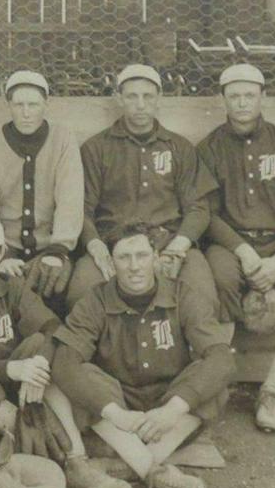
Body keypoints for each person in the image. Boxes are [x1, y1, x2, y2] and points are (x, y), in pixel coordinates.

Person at [0, 214, 129, 488]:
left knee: (41, 345)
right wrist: (11, 370)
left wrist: (36, 366)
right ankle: (67, 453)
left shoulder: (11, 286)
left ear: (1, 253)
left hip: (25, 388)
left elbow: (52, 327)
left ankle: (74, 460)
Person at [51, 222, 237, 488]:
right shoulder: (95, 300)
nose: (134, 266)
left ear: (156, 257)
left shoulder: (182, 295)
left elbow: (221, 358)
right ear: (112, 263)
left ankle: (125, 465)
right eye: (124, 258)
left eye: (141, 256)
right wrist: (117, 415)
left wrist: (173, 410)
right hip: (119, 409)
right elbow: (65, 364)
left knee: (212, 376)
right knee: (78, 376)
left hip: (168, 415)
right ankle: (152, 468)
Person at [197, 63, 275, 432]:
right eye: (234, 96)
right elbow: (207, 213)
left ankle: (271, 391)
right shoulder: (208, 148)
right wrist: (242, 251)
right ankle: (213, 383)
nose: (241, 103)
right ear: (222, 99)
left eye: (249, 95)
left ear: (263, 97)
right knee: (217, 279)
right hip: (232, 244)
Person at [68, 64, 218, 308]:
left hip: (167, 241)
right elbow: (81, 208)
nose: (140, 104)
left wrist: (178, 247)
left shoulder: (179, 147)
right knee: (82, 294)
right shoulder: (96, 148)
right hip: (113, 244)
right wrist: (96, 246)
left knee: (203, 297)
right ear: (119, 98)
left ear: (159, 98)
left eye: (148, 96)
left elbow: (198, 208)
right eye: (132, 96)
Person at [0, 70, 83, 306]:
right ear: (8, 105)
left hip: (50, 247)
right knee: (4, 297)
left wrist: (58, 250)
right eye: (18, 104)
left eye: (33, 104)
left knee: (56, 291)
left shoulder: (62, 137)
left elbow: (70, 198)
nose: (26, 113)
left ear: (46, 103)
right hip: (6, 247)